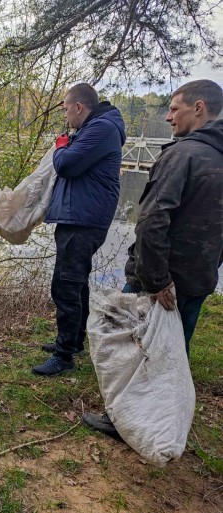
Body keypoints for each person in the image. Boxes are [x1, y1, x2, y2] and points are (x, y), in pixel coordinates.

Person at [84, 79, 223, 437]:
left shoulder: (181, 155)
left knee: (138, 351)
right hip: (198, 278)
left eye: (175, 108)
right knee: (175, 352)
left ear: (199, 108)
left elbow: (152, 219)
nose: (168, 116)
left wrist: (156, 279)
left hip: (162, 280)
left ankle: (127, 422)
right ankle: (165, 422)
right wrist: (210, 266)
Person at [32, 83, 126, 376]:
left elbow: (67, 165)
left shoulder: (101, 129)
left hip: (83, 220)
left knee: (66, 285)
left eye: (64, 108)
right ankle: (73, 342)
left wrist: (62, 146)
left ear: (78, 107)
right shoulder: (96, 128)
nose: (65, 114)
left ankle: (64, 357)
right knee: (76, 282)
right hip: (80, 217)